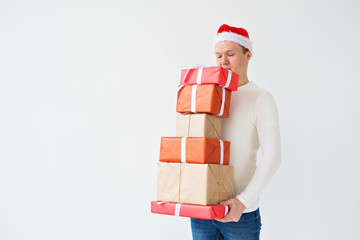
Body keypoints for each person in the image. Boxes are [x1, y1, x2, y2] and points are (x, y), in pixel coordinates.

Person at [191, 24, 282, 240]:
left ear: (247, 54)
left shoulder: (260, 98)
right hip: (202, 210)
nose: (223, 61)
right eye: (219, 55)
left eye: (230, 54)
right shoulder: (207, 94)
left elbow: (273, 157)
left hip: (240, 215)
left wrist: (243, 202)